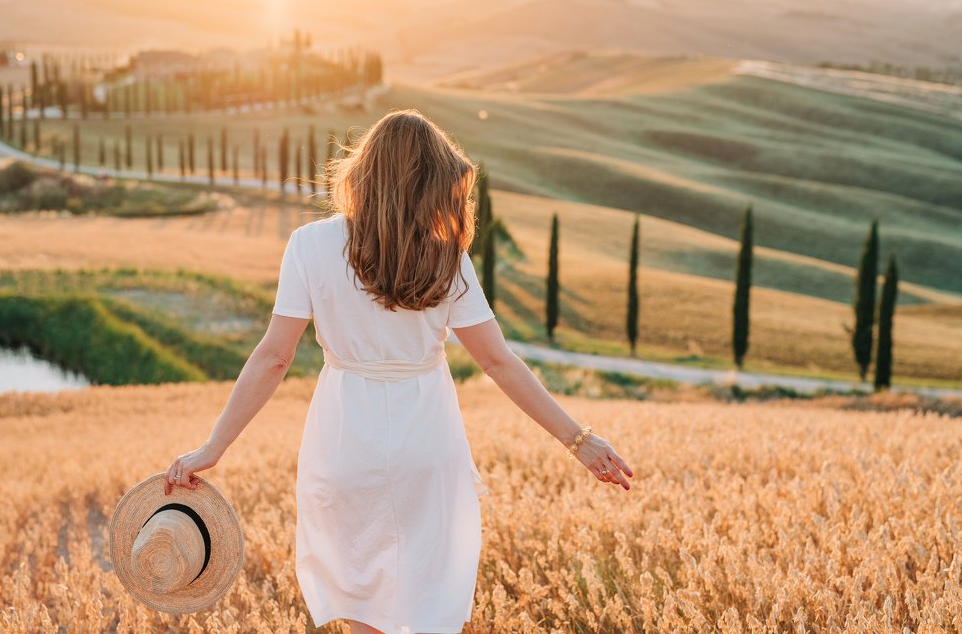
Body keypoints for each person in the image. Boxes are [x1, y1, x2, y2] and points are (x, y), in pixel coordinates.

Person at [163, 109, 633, 633]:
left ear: (364, 171)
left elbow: (274, 357)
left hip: (345, 442)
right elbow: (498, 361)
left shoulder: (309, 245)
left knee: (363, 604)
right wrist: (578, 439)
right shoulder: (447, 258)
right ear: (431, 181)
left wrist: (214, 447)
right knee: (428, 607)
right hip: (426, 441)